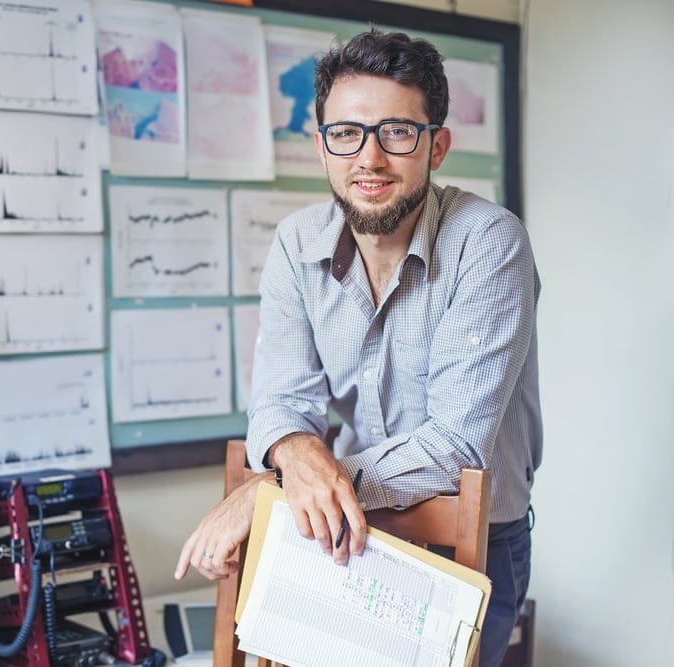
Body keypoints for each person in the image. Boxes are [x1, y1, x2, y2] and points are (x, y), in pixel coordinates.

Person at [174, 28, 541, 667]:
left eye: (397, 132)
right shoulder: (296, 243)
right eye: (347, 133)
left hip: (470, 538)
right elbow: (282, 403)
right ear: (322, 147)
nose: (369, 158)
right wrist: (293, 455)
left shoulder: (490, 243)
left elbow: (453, 448)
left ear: (438, 146)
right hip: (348, 530)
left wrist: (276, 489)